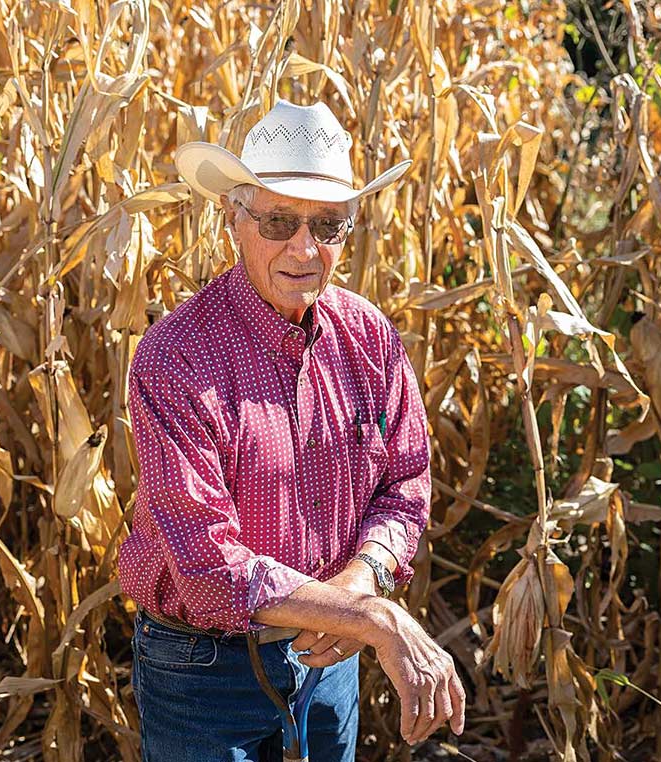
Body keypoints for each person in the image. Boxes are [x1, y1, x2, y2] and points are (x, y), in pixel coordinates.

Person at [120, 99, 465, 761]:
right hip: (204, 671)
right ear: (234, 218)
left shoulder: (370, 339)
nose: (305, 249)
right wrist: (368, 618)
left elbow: (407, 481)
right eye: (279, 221)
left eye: (328, 225)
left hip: (330, 659)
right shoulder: (176, 360)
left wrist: (361, 582)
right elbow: (206, 567)